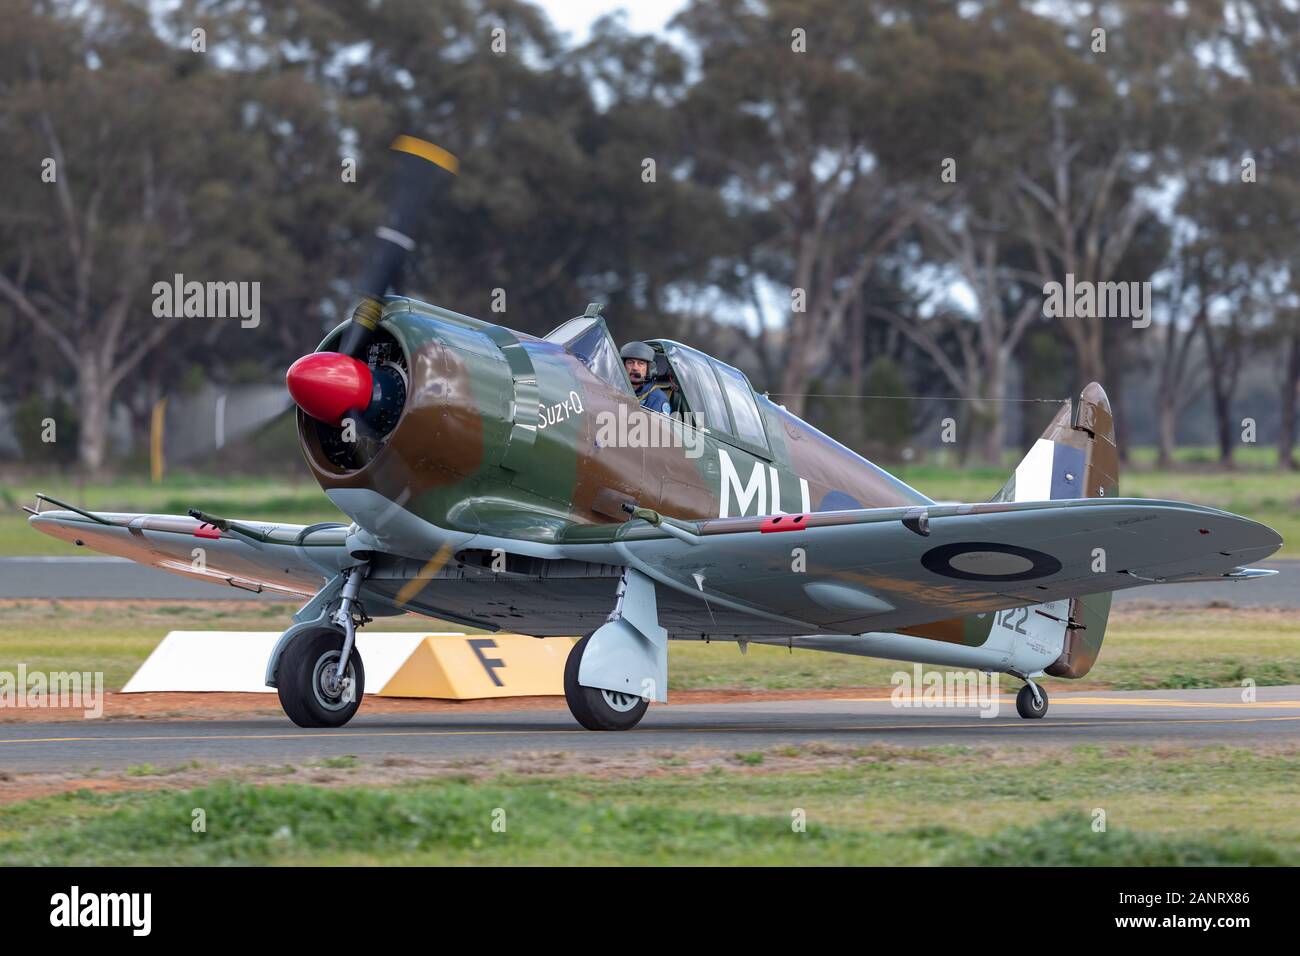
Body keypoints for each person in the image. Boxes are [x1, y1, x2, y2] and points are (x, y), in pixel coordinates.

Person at [620, 341, 673, 415]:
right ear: (623, 366)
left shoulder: (657, 399)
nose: (635, 368)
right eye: (630, 362)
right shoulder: (615, 388)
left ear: (649, 368)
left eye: (641, 363)